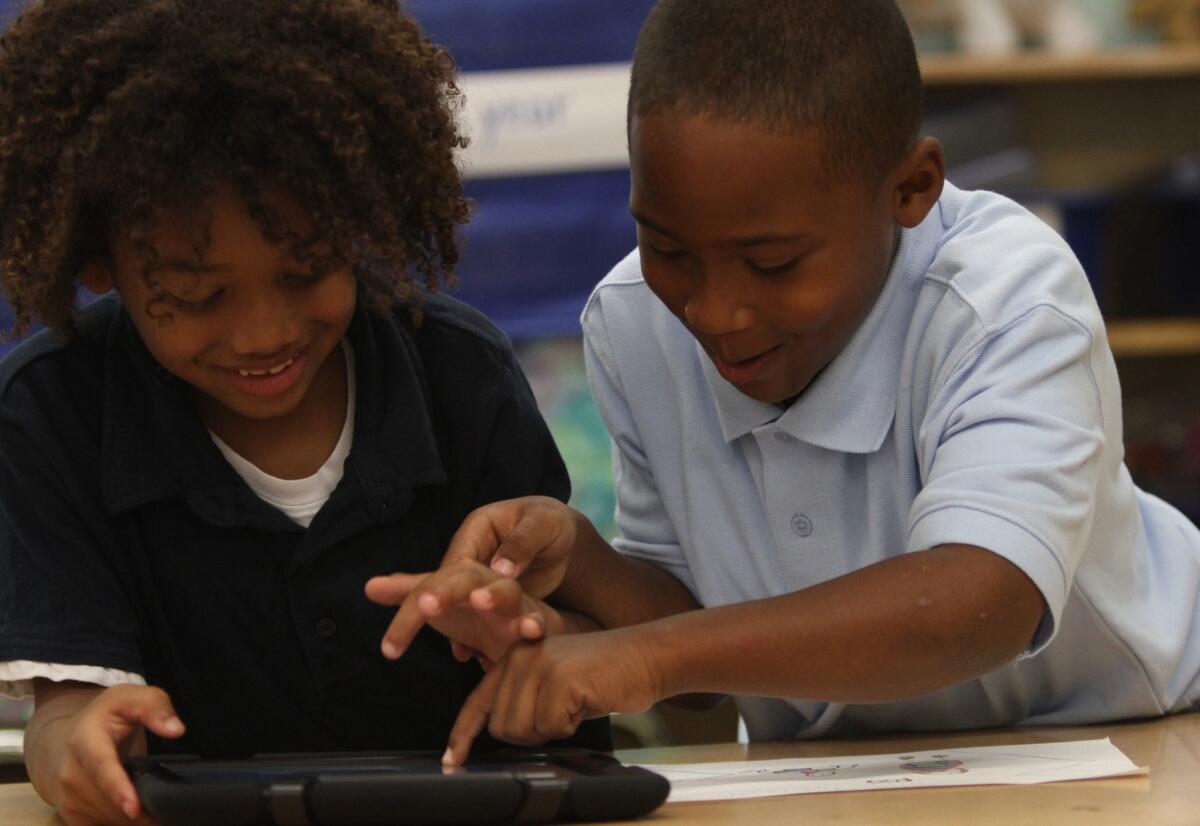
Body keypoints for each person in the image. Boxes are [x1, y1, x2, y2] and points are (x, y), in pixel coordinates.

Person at [374, 0, 1200, 766]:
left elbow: (980, 601)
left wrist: (644, 659)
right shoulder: (632, 324)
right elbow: (699, 653)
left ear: (911, 189)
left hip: (1130, 740)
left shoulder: (1007, 298)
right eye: (667, 247)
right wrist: (576, 569)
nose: (714, 310)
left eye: (773, 263)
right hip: (850, 772)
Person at [0, 1, 607, 823]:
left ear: (363, 219)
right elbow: (65, 711)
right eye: (198, 295)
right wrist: (78, 747)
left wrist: (529, 637)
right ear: (100, 261)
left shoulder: (463, 375)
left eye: (307, 270)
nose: (264, 333)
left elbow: (577, 646)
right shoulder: (47, 415)